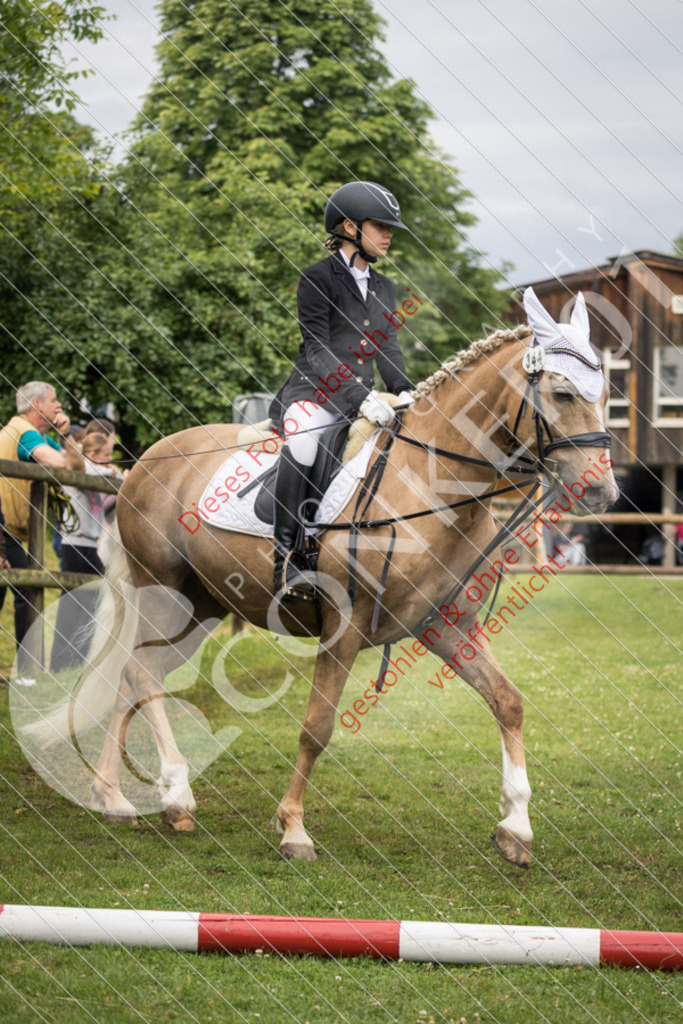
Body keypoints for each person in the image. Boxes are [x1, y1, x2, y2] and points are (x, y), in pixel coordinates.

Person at [268, 181, 415, 601]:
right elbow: (316, 349)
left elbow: (386, 347)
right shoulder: (317, 278)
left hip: (361, 402)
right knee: (304, 446)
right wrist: (360, 396)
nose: (389, 235)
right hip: (313, 396)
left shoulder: (384, 287)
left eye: (391, 228)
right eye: (380, 226)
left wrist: (404, 390)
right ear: (350, 227)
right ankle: (287, 559)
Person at [0, 381, 82, 685]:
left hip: (9, 529)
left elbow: (78, 467)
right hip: (5, 529)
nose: (58, 406)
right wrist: (61, 439)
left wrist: (64, 435)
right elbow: (60, 463)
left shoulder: (28, 433)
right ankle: (27, 673)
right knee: (27, 593)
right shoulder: (26, 432)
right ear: (37, 406)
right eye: (53, 401)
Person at [50, 432, 122, 672]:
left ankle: (79, 658)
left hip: (89, 545)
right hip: (74, 544)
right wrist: (109, 470)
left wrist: (111, 470)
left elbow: (120, 477)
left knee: (92, 601)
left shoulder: (97, 469)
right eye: (107, 455)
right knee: (73, 603)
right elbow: (89, 470)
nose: (111, 461)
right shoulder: (79, 468)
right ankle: (61, 662)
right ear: (92, 455)